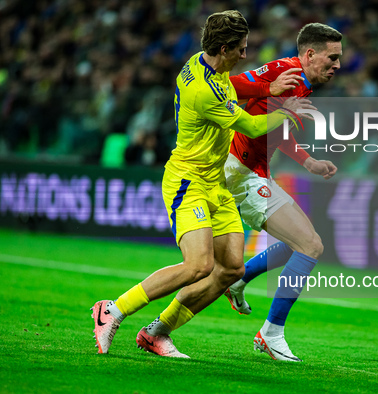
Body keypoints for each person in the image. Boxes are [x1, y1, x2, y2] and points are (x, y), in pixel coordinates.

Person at [91, 10, 314, 358]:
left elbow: (236, 85)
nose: (244, 55)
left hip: (216, 183)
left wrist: (267, 88)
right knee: (198, 265)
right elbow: (253, 127)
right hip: (188, 180)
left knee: (232, 269)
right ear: (224, 49)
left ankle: (156, 332)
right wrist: (287, 109)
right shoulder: (203, 90)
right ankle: (113, 310)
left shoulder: (200, 63)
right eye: (240, 49)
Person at [222, 23, 342, 362]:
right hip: (239, 172)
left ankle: (239, 280)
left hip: (254, 171)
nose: (337, 65)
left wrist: (307, 162)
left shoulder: (300, 84)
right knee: (310, 245)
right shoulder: (284, 71)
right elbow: (224, 87)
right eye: (331, 58)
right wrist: (267, 85)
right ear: (309, 54)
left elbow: (278, 129)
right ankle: (270, 332)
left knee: (299, 245)